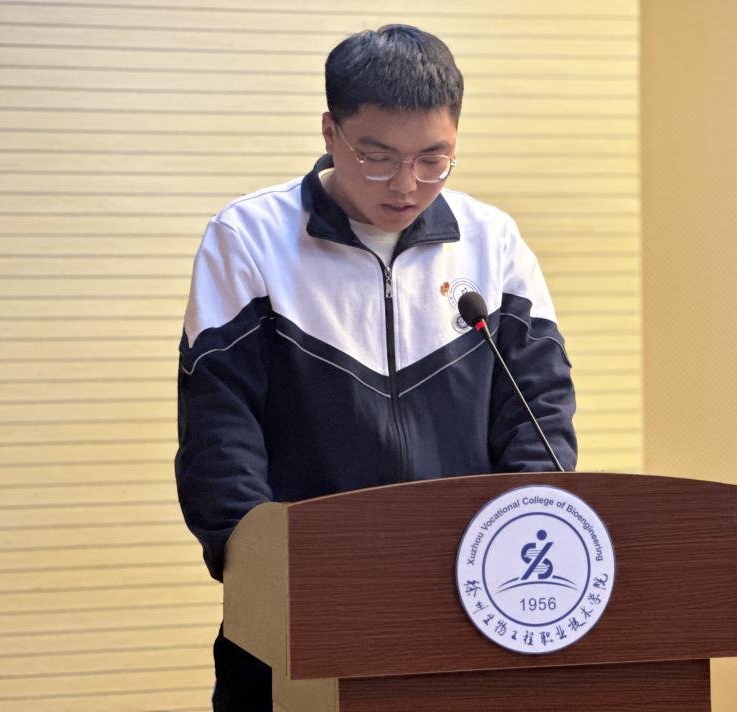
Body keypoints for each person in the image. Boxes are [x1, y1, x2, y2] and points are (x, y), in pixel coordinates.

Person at [175, 24, 577, 711]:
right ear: (330, 132)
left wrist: (518, 562)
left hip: (469, 611)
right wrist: (267, 576)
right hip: (298, 612)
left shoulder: (494, 242)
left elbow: (539, 419)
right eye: (378, 157)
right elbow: (221, 439)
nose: (407, 184)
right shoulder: (249, 240)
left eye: (434, 158)